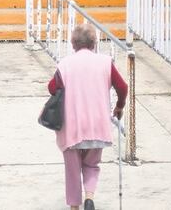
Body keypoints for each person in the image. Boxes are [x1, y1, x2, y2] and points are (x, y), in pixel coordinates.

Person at [47, 24, 128, 210]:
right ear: (94, 43)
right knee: (92, 164)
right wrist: (119, 106)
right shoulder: (105, 62)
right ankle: (89, 197)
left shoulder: (66, 64)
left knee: (73, 170)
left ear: (73, 43)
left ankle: (74, 207)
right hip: (97, 124)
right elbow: (123, 87)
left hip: (72, 126)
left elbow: (52, 88)